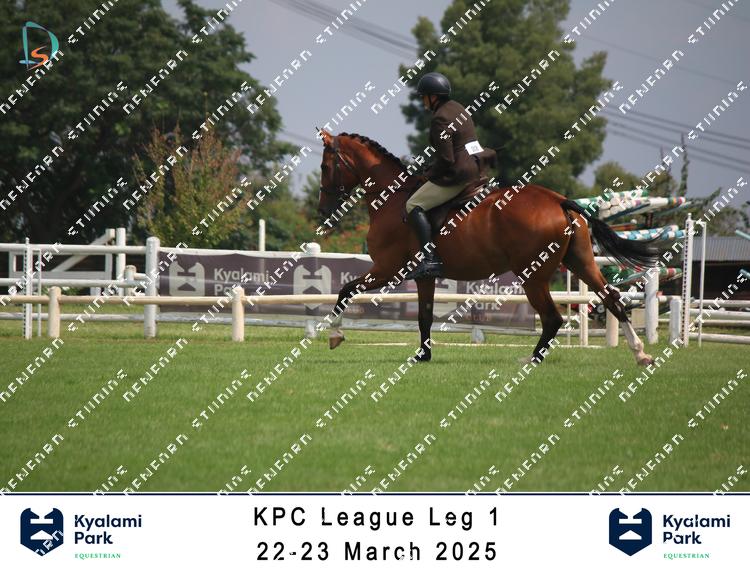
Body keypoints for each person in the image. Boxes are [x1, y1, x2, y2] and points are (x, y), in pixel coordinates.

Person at [405, 72, 486, 279]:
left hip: (459, 175)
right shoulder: (458, 108)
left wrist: (428, 173)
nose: (423, 101)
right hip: (476, 166)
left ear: (433, 96)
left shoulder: (440, 118)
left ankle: (429, 260)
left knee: (413, 204)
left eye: (424, 97)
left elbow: (447, 159)